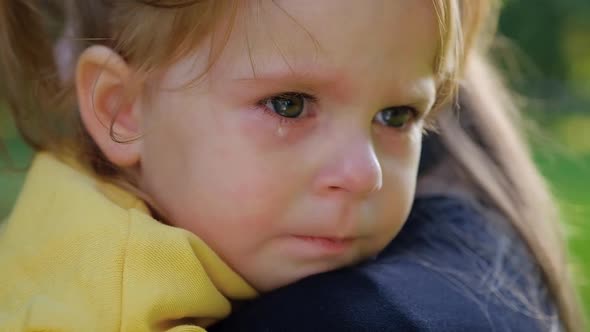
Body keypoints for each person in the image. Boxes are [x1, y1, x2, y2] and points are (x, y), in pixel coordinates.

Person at [0, 0, 581, 331]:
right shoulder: (106, 290)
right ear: (122, 109)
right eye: (289, 105)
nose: (364, 174)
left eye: (397, 116)